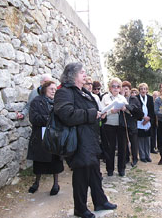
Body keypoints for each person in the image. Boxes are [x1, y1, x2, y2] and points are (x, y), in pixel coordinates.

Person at [54, 63, 116, 218]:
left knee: (95, 171)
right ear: (73, 75)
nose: (85, 74)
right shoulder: (64, 92)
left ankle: (100, 201)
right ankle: (80, 208)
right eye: (82, 72)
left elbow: (91, 111)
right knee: (81, 174)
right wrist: (91, 114)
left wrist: (100, 114)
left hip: (90, 139)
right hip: (79, 141)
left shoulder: (82, 92)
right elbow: (66, 114)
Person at [27, 81, 63, 195]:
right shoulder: (36, 102)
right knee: (39, 162)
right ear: (44, 89)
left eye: (55, 89)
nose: (54, 91)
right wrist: (49, 119)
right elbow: (34, 118)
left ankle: (56, 184)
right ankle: (36, 183)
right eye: (51, 89)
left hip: (54, 135)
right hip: (40, 136)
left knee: (55, 160)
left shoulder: (58, 103)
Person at [101, 77, 127, 176]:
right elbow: (101, 111)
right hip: (109, 125)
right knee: (109, 148)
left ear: (120, 88)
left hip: (121, 126)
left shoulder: (122, 98)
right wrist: (110, 111)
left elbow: (128, 111)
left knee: (122, 148)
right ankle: (110, 169)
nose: (115, 88)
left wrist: (124, 108)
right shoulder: (105, 97)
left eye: (118, 86)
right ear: (110, 88)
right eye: (113, 86)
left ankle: (121, 169)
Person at [120, 81, 143, 167]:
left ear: (129, 90)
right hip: (123, 123)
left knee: (134, 142)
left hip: (132, 123)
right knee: (124, 142)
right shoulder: (119, 98)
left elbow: (138, 111)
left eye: (126, 89)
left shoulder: (134, 99)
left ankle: (135, 159)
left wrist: (127, 107)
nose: (125, 91)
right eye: (123, 89)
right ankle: (126, 158)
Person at [137, 83, 155, 163]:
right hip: (139, 120)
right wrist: (143, 118)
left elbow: (152, 110)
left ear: (147, 90)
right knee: (140, 139)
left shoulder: (150, 98)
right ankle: (142, 156)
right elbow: (136, 110)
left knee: (147, 139)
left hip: (148, 121)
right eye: (141, 89)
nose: (143, 90)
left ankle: (148, 155)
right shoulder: (136, 98)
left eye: (144, 89)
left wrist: (148, 119)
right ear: (139, 90)